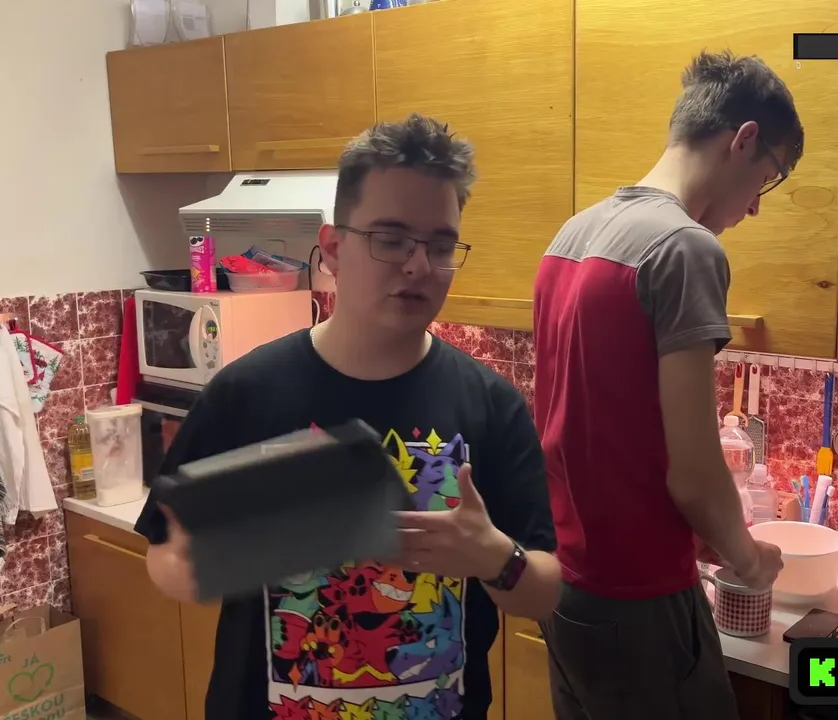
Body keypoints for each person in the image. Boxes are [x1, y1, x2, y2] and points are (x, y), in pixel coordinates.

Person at [136, 114, 562, 720]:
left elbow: (544, 590)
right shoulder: (246, 394)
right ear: (334, 249)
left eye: (441, 245)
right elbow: (164, 555)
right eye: (391, 238)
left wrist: (495, 557)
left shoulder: (492, 405)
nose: (419, 266)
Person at [531, 50, 803, 718]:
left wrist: (707, 535)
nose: (754, 208)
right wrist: (747, 558)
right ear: (743, 140)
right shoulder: (684, 248)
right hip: (640, 601)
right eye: (767, 179)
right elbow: (694, 471)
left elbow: (598, 432)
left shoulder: (571, 236)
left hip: (566, 587)